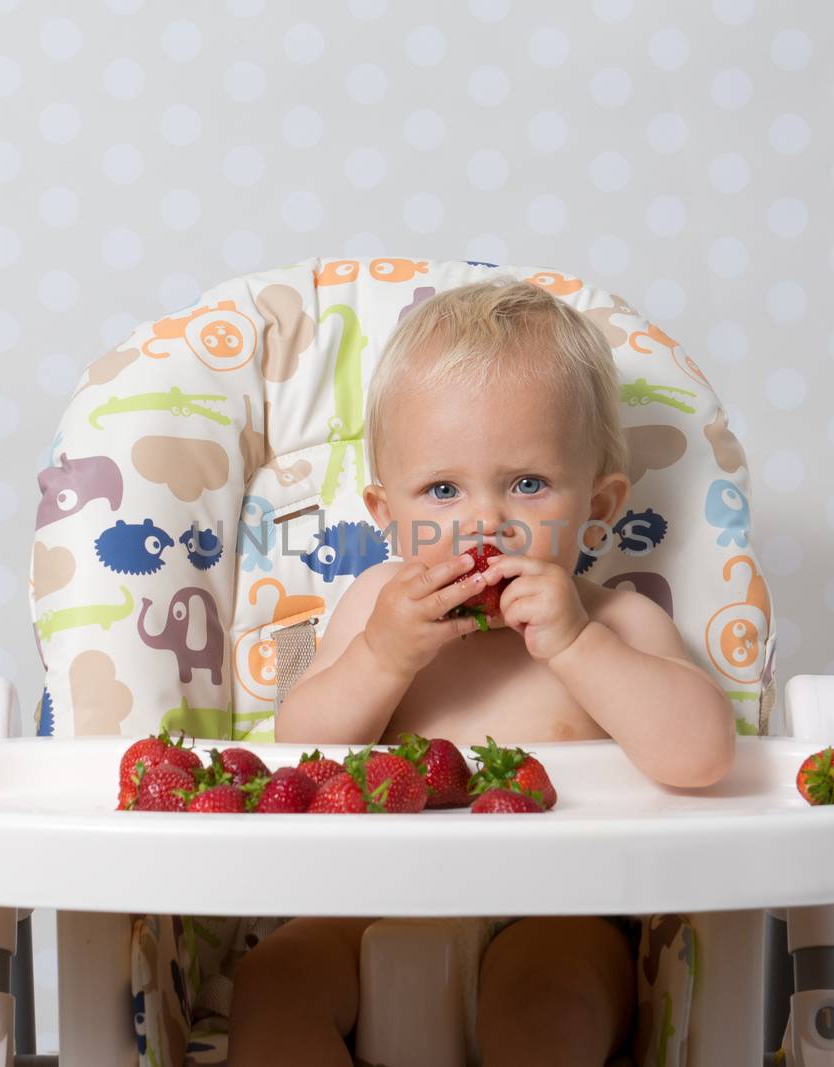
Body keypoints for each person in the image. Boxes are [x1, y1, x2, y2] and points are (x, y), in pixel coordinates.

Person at [229, 277, 736, 1067]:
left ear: (599, 504)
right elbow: (302, 748)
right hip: (369, 903)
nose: (483, 521)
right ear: (384, 510)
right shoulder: (373, 607)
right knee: (270, 983)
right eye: (441, 488)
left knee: (544, 1012)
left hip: (562, 914)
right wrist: (384, 655)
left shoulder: (616, 622)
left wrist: (575, 645)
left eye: (527, 484)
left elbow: (704, 754)